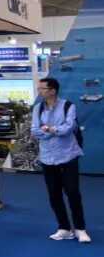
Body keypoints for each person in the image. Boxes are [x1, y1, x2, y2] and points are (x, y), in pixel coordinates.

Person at [32, 78, 90, 243]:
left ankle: (80, 229)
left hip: (68, 155)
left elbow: (68, 128)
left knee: (72, 192)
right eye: (39, 88)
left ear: (53, 90)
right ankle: (64, 228)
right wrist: (53, 131)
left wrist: (49, 129)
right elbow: (35, 130)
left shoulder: (68, 106)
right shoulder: (37, 108)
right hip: (47, 157)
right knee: (54, 194)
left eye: (42, 88)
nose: (39, 91)